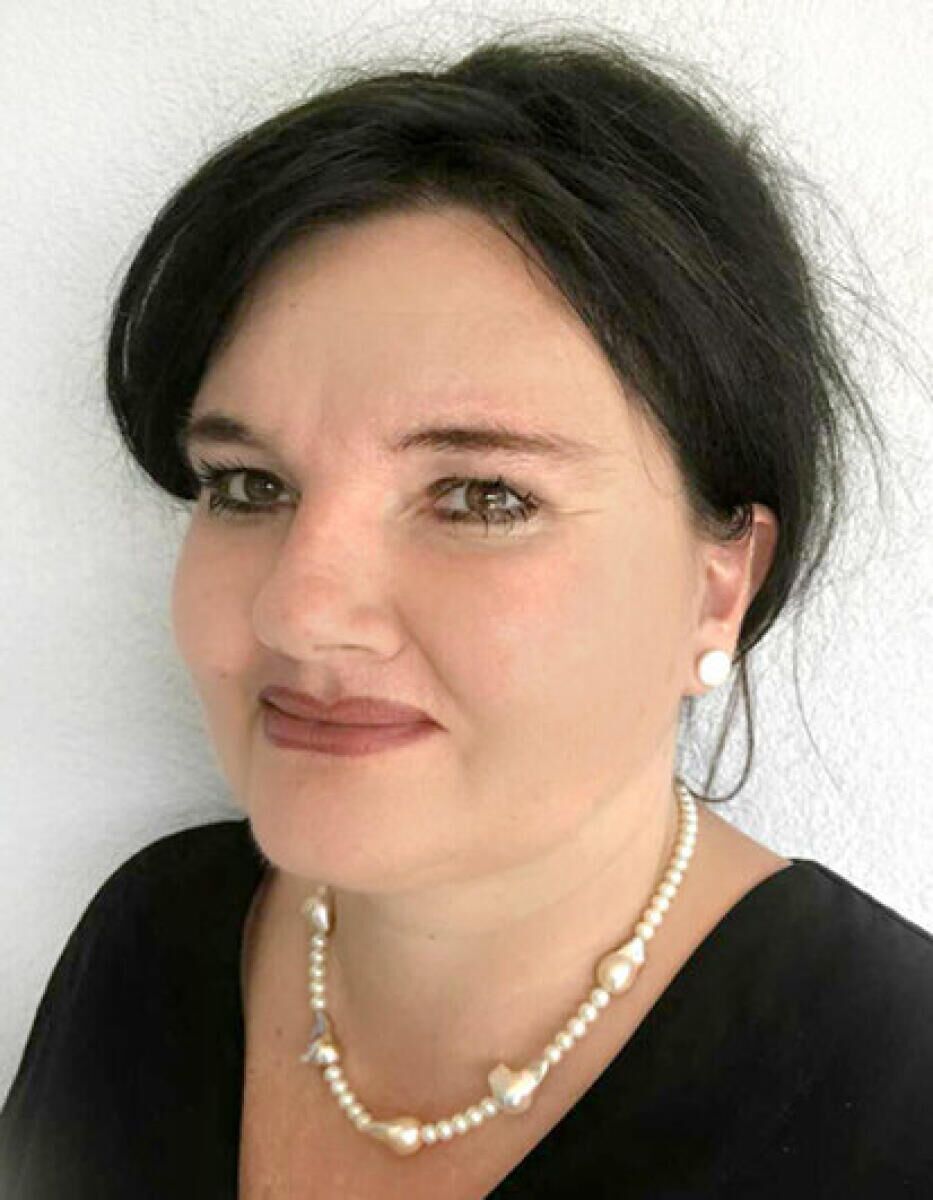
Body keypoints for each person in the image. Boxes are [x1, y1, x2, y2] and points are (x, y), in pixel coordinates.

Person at [2, 26, 931, 1200]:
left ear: (719, 586)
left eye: (484, 496)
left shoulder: (899, 1106)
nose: (300, 612)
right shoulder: (149, 939)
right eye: (247, 485)